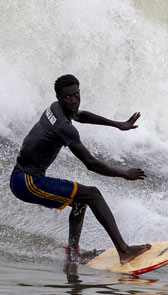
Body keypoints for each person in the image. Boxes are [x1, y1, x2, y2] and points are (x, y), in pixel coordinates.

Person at [10, 74, 151, 264]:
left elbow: (80, 115)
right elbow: (91, 164)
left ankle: (73, 254)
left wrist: (117, 124)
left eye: (76, 94)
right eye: (68, 97)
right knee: (92, 194)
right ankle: (124, 250)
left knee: (79, 201)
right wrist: (124, 173)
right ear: (60, 97)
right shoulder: (63, 127)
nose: (73, 100)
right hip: (27, 181)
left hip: (24, 178)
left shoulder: (56, 108)